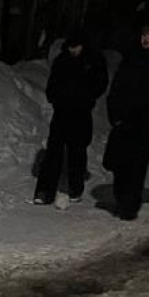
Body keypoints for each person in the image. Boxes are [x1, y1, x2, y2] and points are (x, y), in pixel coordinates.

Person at [34, 32, 108, 205]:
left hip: (81, 113)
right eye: (70, 47)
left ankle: (75, 188)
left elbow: (100, 83)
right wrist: (55, 97)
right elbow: (52, 83)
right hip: (62, 112)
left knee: (77, 151)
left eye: (77, 47)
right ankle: (44, 192)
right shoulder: (63, 60)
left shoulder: (93, 60)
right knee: (53, 152)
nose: (73, 50)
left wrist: (87, 96)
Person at [102, 20, 149, 220]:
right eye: (144, 35)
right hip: (125, 120)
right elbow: (117, 88)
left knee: (137, 164)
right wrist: (115, 115)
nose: (146, 39)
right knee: (121, 164)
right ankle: (122, 197)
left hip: (145, 122)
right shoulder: (131, 59)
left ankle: (129, 204)